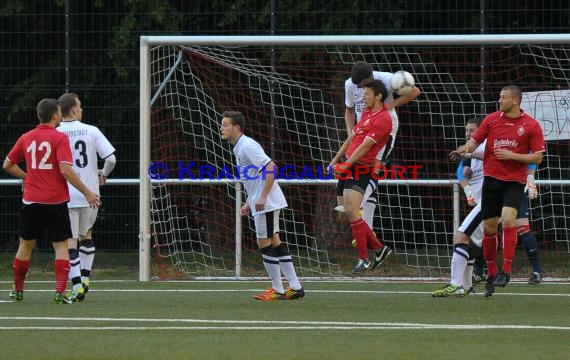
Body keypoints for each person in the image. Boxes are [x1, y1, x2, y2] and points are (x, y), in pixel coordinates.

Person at [450, 85, 545, 297]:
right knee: (490, 228)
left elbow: (537, 157)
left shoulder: (531, 125)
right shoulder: (492, 119)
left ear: (516, 101)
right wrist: (463, 149)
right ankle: (491, 274)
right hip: (491, 181)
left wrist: (513, 156)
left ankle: (506, 271)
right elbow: (474, 142)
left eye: (503, 97)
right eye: (499, 97)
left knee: (509, 219)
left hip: (514, 181)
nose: (499, 100)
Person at [3, 98, 100, 304]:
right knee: (61, 246)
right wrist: (87, 191)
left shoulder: (26, 137)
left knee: (26, 245)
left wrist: (26, 177)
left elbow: (8, 164)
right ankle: (59, 292)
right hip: (55, 201)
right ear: (56, 116)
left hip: (31, 201)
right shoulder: (59, 138)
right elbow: (65, 169)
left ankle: (18, 290)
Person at [220, 110, 304, 301]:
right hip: (263, 202)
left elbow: (271, 167)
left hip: (268, 203)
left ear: (237, 127)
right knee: (274, 240)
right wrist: (249, 201)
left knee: (263, 242)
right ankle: (295, 287)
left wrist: (263, 197)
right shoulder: (239, 147)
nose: (221, 128)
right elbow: (254, 178)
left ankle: (279, 289)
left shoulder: (247, 146)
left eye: (225, 125)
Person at [343, 61, 421, 229]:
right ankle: (368, 229)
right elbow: (349, 109)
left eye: (363, 85)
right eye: (358, 86)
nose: (361, 89)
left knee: (373, 168)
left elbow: (415, 91)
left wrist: (389, 106)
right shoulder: (349, 84)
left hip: (385, 128)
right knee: (359, 169)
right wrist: (351, 132)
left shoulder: (388, 79)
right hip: (362, 130)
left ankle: (359, 205)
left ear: (371, 78)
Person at [329, 78, 393, 274]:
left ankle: (364, 259)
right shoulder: (366, 113)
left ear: (379, 96)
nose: (363, 97)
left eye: (366, 94)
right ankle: (380, 248)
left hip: (360, 168)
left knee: (351, 211)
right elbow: (353, 138)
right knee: (346, 213)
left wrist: (348, 164)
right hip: (348, 165)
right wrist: (336, 159)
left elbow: (365, 146)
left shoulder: (383, 119)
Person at [57, 92, 116, 301]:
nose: (81, 109)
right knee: (87, 235)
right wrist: (103, 175)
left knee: (70, 241)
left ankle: (77, 286)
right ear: (74, 109)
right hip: (91, 194)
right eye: (80, 106)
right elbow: (111, 159)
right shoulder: (92, 131)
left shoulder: (56, 132)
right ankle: (86, 278)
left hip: (65, 195)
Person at [432, 118, 485, 297]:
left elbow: (491, 155)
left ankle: (456, 283)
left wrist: (468, 153)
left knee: (461, 236)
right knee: (467, 240)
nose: (468, 134)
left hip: (489, 203)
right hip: (479, 203)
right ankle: (468, 286)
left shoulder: (485, 145)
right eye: (466, 131)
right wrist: (468, 182)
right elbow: (461, 172)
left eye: (472, 130)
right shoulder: (470, 152)